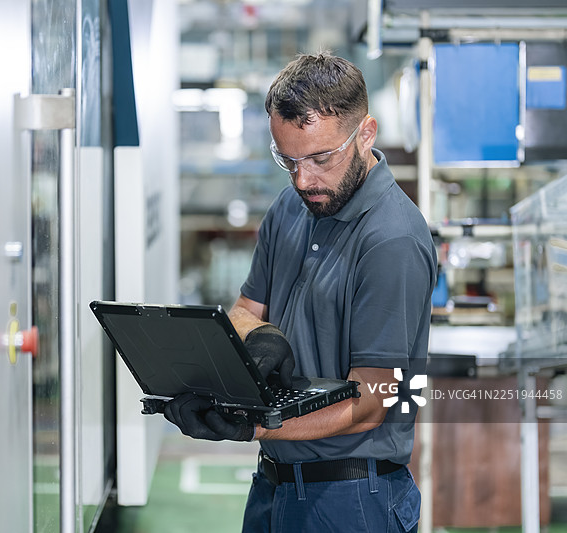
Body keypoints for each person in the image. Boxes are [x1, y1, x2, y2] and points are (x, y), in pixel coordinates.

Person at [163, 52, 437, 533]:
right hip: (274, 484)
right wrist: (249, 349)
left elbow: (373, 400)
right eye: (287, 159)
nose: (302, 179)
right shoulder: (291, 207)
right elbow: (247, 309)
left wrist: (255, 424)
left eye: (320, 158)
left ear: (366, 134)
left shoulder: (392, 239)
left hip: (353, 498)